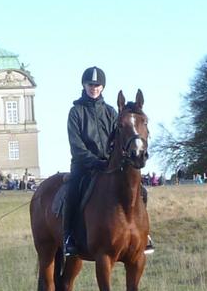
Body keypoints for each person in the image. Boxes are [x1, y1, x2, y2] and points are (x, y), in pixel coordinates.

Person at [62, 66, 154, 258]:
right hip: (84, 166)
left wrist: (117, 158)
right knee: (72, 191)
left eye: (97, 85)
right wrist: (95, 162)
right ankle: (69, 237)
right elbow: (76, 146)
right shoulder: (76, 112)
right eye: (90, 84)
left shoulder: (112, 112)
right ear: (84, 86)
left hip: (110, 165)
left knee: (141, 191)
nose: (94, 88)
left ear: (102, 87)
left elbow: (118, 139)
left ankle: (145, 235)